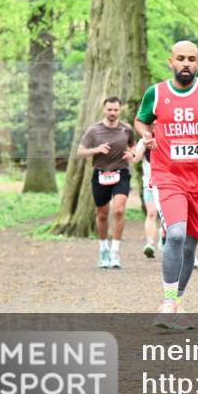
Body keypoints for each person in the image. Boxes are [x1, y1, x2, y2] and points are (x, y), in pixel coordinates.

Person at [135, 40, 198, 330]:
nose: (186, 63)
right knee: (177, 235)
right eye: (180, 58)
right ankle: (168, 303)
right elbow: (141, 121)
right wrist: (146, 136)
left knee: (191, 245)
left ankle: (176, 302)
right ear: (170, 61)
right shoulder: (156, 94)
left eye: (191, 59)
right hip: (167, 176)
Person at [76, 96, 135, 269]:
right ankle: (103, 249)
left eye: (116, 109)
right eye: (109, 109)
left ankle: (115, 251)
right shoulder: (94, 130)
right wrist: (97, 149)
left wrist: (132, 153)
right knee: (102, 214)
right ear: (104, 109)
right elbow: (80, 151)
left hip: (121, 173)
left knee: (119, 210)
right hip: (101, 174)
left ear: (120, 110)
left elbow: (133, 146)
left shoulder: (127, 129)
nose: (112, 112)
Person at [132, 139, 160, 257]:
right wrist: (143, 144)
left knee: (169, 215)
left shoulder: (168, 134)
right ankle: (150, 244)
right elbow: (136, 158)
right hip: (149, 184)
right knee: (151, 213)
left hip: (168, 184)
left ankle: (165, 236)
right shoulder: (143, 140)